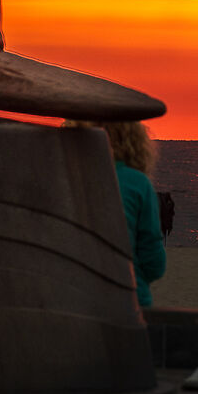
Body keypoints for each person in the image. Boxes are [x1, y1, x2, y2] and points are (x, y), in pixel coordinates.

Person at [75, 120, 165, 307]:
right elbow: (154, 264)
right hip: (129, 301)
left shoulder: (66, 177)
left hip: (74, 299)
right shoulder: (136, 184)